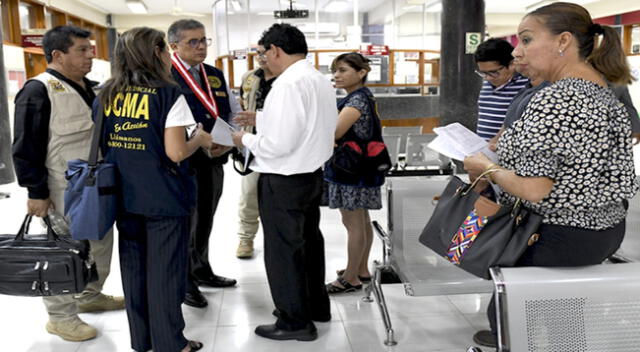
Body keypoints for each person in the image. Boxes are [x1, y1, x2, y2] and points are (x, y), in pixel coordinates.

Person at [465, 2, 639, 348]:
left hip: (551, 235)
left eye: (527, 40)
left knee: (516, 322)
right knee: (562, 326)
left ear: (563, 42)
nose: (517, 51)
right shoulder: (602, 91)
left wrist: (486, 168)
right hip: (600, 231)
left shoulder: (555, 99)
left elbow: (533, 189)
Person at [98, 27, 211, 352]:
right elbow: (176, 152)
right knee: (165, 273)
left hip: (123, 196)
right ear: (157, 53)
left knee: (134, 270)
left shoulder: (107, 93)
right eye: (164, 50)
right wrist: (199, 140)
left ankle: (143, 339)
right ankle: (171, 342)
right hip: (164, 198)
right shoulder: (168, 94)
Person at [11, 25, 124, 342]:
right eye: (83, 50)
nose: (91, 55)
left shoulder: (90, 88)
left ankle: (89, 295)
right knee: (64, 251)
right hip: (62, 189)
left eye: (91, 48)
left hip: (95, 184)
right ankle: (60, 317)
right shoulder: (38, 91)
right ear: (58, 55)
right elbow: (25, 147)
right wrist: (36, 192)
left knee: (100, 243)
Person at [231, 23, 337, 341]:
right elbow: (308, 123)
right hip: (309, 176)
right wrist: (261, 119)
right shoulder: (316, 79)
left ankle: (294, 322)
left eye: (264, 54)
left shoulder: (287, 85)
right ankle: (316, 306)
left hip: (284, 179)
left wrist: (244, 138)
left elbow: (279, 144)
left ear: (275, 50)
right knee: (309, 244)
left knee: (283, 252)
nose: (263, 60)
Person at [167, 19, 239, 309]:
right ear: (174, 46)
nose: (200, 47)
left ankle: (202, 268)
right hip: (182, 161)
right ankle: (185, 281)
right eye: (192, 42)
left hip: (214, 159)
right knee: (187, 221)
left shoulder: (215, 75)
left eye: (203, 40)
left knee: (207, 216)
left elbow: (230, 111)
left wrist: (230, 140)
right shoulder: (165, 76)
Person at [324, 52, 383, 293]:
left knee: (352, 222)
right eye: (335, 71)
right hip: (363, 167)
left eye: (343, 70)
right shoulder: (363, 97)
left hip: (350, 169)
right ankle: (360, 269)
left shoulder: (355, 102)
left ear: (361, 73)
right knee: (362, 220)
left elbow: (334, 133)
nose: (336, 75)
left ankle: (350, 278)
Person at [233, 43, 277, 259]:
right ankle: (246, 238)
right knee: (249, 195)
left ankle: (276, 239)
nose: (261, 58)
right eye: (258, 54)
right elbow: (243, 101)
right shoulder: (250, 77)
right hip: (251, 144)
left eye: (265, 53)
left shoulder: (287, 79)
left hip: (277, 146)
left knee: (276, 197)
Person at [474, 38, 530, 141]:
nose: (488, 78)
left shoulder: (528, 85)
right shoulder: (486, 83)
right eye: (483, 73)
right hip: (483, 151)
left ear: (512, 64)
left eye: (493, 72)